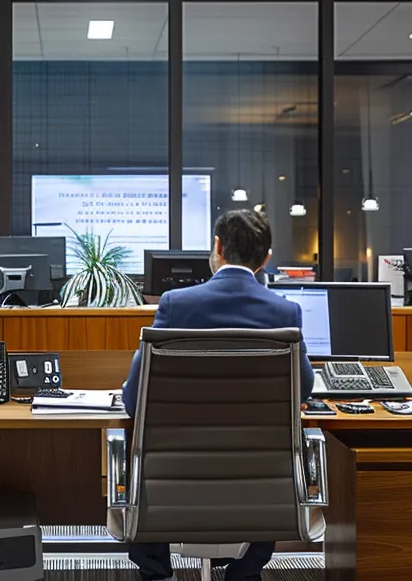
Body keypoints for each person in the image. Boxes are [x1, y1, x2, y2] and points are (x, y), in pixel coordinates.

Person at [120, 209, 314, 581]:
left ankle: (157, 572)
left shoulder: (176, 304)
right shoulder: (285, 311)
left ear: (217, 247)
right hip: (257, 479)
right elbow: (302, 390)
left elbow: (134, 399)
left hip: (174, 474)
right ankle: (246, 569)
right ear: (266, 259)